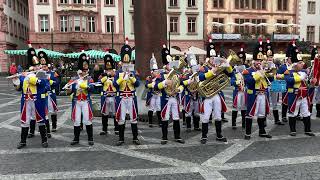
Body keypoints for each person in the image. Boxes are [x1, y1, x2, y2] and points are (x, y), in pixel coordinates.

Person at [15, 41, 49, 149]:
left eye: (37, 65)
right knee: (25, 121)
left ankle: (44, 140)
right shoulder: (24, 75)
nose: (36, 67)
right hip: (26, 101)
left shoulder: (41, 73)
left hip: (37, 100)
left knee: (40, 119)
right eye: (34, 66)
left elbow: (44, 84)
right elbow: (19, 88)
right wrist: (16, 81)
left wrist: (34, 80)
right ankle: (23, 141)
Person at [243, 38, 272, 140]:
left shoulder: (264, 70)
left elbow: (270, 80)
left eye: (260, 60)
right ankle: (248, 133)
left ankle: (262, 132)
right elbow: (249, 82)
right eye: (257, 61)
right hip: (253, 95)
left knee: (262, 114)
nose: (259, 62)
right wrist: (259, 75)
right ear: (253, 61)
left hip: (263, 94)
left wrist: (268, 73)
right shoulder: (247, 71)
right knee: (250, 114)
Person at [155, 44, 185, 145]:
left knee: (176, 117)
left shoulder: (176, 74)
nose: (170, 66)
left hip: (174, 98)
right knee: (165, 118)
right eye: (168, 64)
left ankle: (177, 136)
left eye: (170, 64)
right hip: (166, 99)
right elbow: (155, 86)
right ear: (165, 65)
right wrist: (164, 83)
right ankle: (164, 137)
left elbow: (181, 85)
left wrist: (179, 89)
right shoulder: (162, 75)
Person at [113, 38, 140, 146]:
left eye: (127, 61)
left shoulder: (133, 71)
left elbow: (137, 84)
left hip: (131, 98)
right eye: (125, 61)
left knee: (133, 118)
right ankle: (121, 138)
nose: (126, 62)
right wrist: (122, 78)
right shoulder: (118, 72)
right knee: (121, 118)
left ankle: (135, 138)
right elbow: (115, 85)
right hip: (122, 98)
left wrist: (132, 77)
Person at [284, 46, 316, 137]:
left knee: (306, 112)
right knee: (292, 113)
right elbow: (289, 81)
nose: (302, 64)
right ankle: (293, 130)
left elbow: (307, 84)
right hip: (294, 96)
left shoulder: (304, 72)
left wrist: (312, 82)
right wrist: (300, 77)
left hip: (304, 96)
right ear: (295, 64)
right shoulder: (288, 72)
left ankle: (308, 130)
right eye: (300, 63)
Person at [68, 53, 95, 146]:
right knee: (77, 120)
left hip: (86, 102)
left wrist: (87, 87)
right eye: (83, 70)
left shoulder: (89, 79)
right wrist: (72, 88)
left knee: (87, 120)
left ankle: (90, 138)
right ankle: (76, 138)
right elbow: (69, 90)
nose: (85, 72)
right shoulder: (74, 79)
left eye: (86, 70)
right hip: (77, 102)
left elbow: (93, 89)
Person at [99, 54, 118, 135]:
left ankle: (116, 128)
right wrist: (106, 76)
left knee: (115, 113)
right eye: (107, 70)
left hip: (114, 97)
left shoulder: (116, 77)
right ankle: (104, 129)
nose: (109, 71)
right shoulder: (104, 77)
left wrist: (113, 76)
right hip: (106, 97)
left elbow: (117, 84)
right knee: (105, 113)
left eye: (110, 70)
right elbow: (101, 82)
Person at [145, 53, 162, 128]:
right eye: (155, 71)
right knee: (151, 108)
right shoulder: (149, 78)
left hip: (158, 94)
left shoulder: (159, 78)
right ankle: (150, 122)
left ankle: (160, 122)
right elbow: (146, 85)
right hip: (152, 95)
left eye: (157, 71)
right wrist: (150, 85)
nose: (157, 73)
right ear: (152, 72)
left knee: (158, 108)